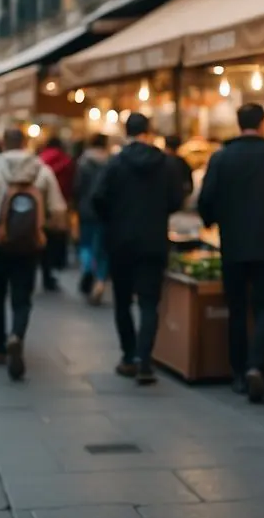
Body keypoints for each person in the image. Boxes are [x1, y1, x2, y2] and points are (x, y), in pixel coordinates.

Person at [197, 103, 264, 402]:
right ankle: (256, 367)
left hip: (232, 245)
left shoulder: (221, 158)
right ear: (263, 123)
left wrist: (213, 220)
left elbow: (204, 200)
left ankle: (237, 374)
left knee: (236, 310)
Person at [0, 128, 67, 380]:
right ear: (25, 143)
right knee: (22, 295)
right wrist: (45, 228)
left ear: (2, 144)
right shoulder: (41, 171)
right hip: (29, 245)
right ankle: (16, 335)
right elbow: (59, 210)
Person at [91, 115, 186, 385]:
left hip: (120, 241)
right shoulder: (166, 164)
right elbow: (176, 200)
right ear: (149, 131)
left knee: (122, 301)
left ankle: (128, 357)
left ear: (127, 132)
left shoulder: (115, 163)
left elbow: (97, 198)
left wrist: (112, 219)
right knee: (148, 302)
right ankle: (145, 360)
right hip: (153, 240)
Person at [72, 133, 110, 303]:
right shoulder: (111, 162)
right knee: (102, 247)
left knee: (86, 244)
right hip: (105, 211)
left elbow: (78, 188)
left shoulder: (83, 162)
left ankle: (88, 269)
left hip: (86, 210)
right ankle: (100, 280)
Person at [37, 137, 73, 290]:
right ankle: (49, 271)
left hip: (38, 206)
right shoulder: (66, 161)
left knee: (39, 239)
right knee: (53, 239)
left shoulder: (39, 161)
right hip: (59, 204)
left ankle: (41, 269)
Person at [163, 135, 194, 206]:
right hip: (178, 201)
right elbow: (189, 184)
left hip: (161, 202)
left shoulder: (159, 161)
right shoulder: (182, 162)